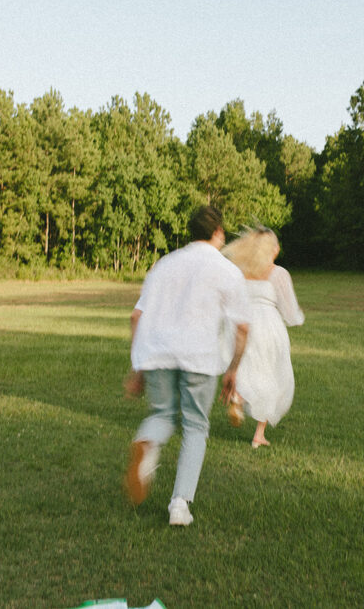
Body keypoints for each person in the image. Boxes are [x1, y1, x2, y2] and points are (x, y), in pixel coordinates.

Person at [124, 205, 252, 526]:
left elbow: (136, 317)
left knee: (161, 415)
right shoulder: (226, 271)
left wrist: (138, 367)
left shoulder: (163, 265)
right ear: (218, 233)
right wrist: (233, 369)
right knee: (195, 425)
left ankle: (148, 444)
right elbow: (243, 328)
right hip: (200, 357)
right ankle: (179, 505)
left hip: (157, 353)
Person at [221, 226, 304, 448]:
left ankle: (239, 397)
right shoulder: (278, 273)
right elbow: (289, 311)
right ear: (272, 250)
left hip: (243, 323)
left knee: (245, 368)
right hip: (269, 327)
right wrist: (296, 318)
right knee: (271, 376)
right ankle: (259, 434)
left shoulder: (240, 270)